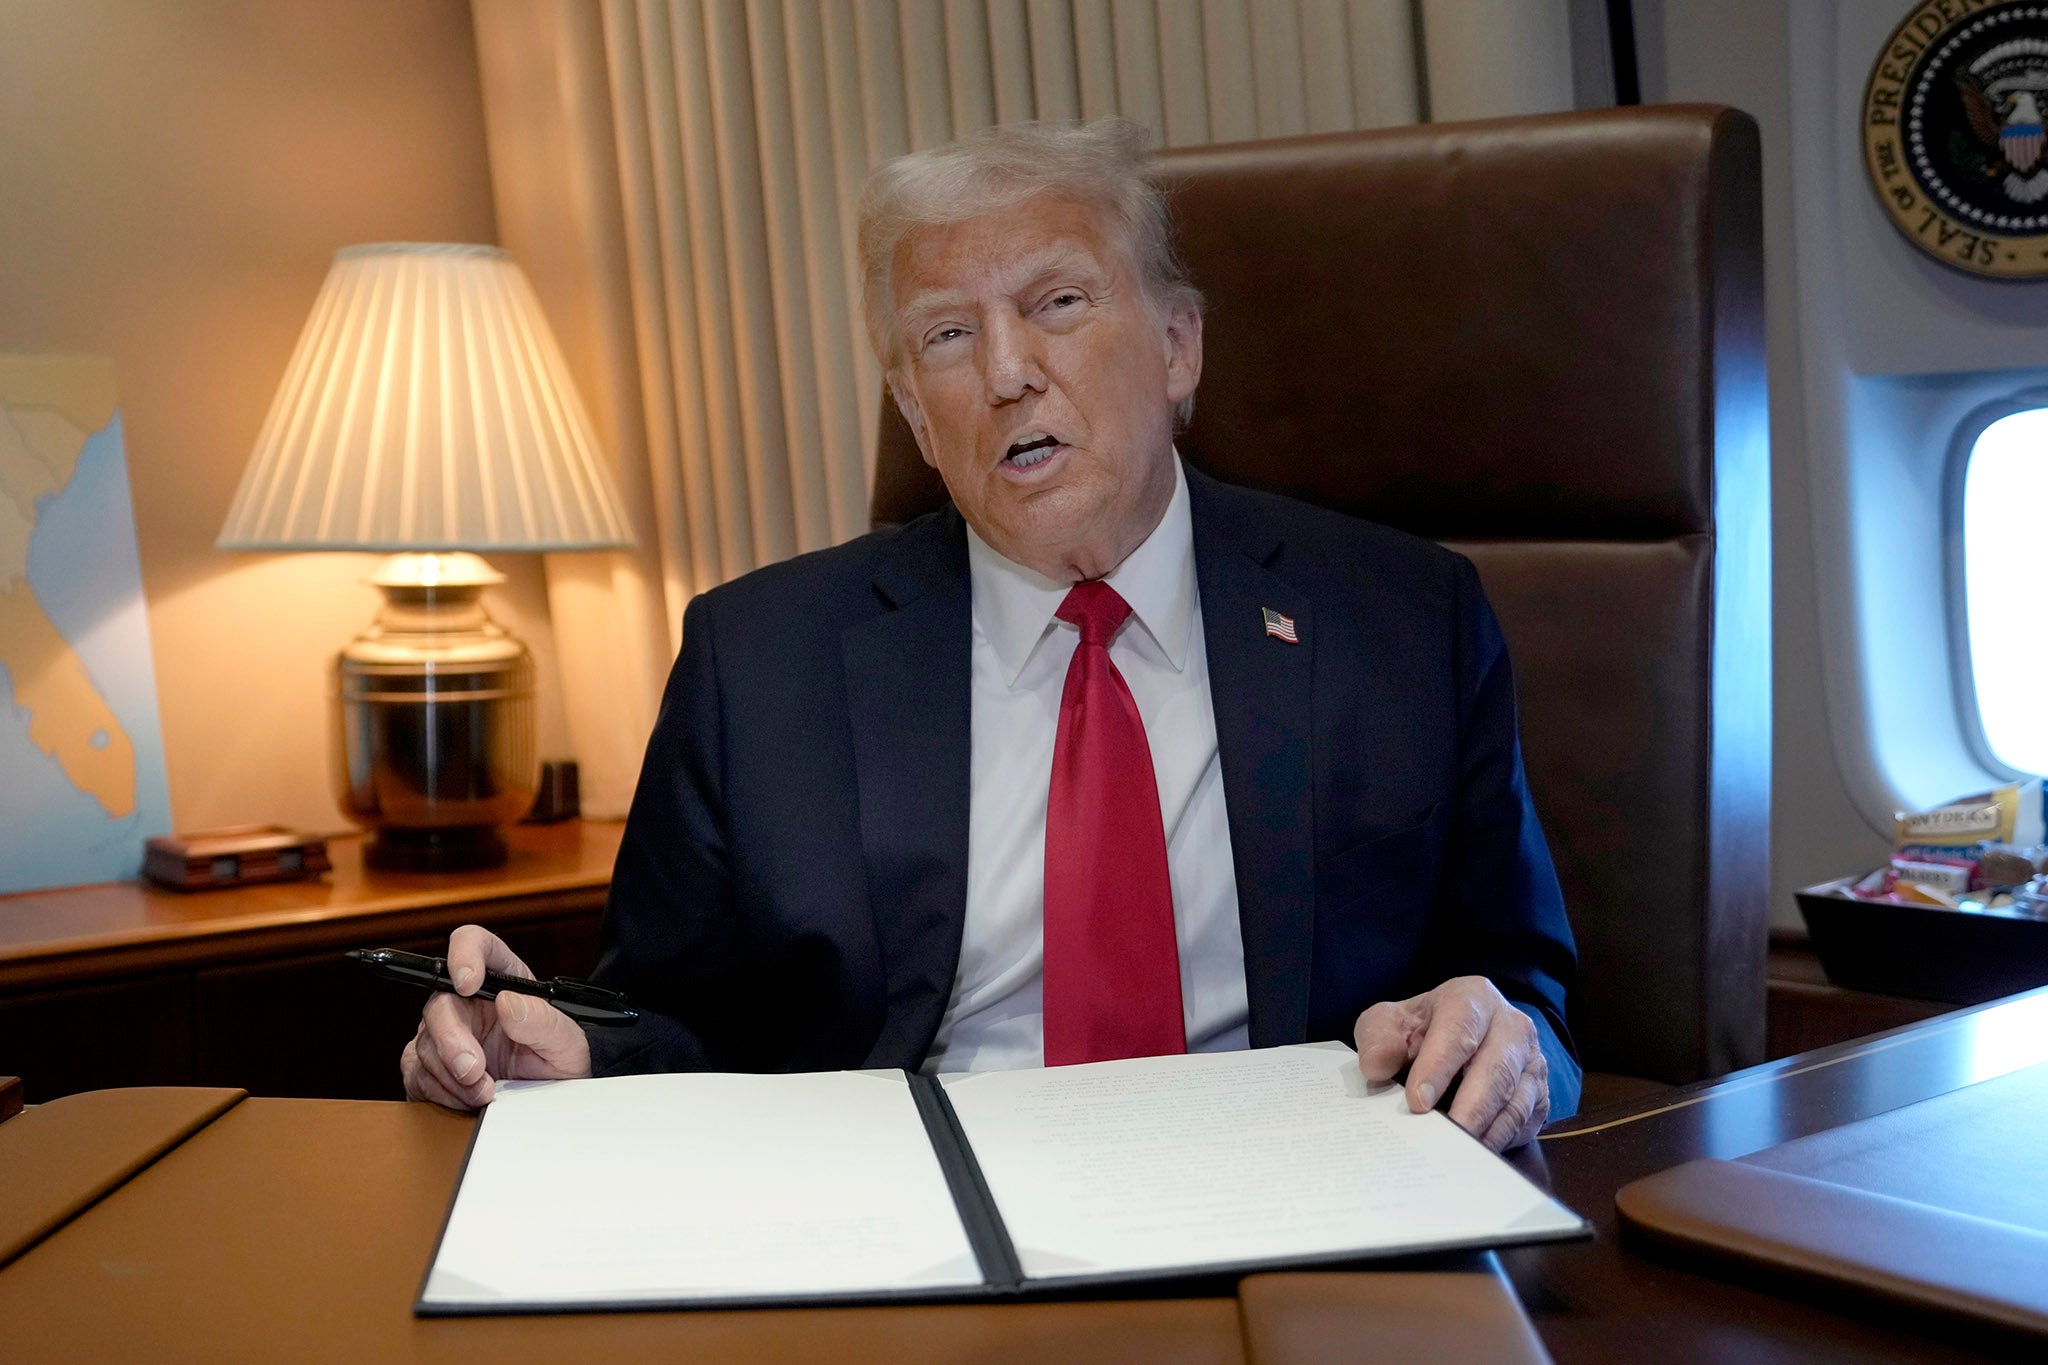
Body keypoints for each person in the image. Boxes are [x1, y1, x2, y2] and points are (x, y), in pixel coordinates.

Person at [402, 119, 1580, 1152]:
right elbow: (665, 1019)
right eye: (948, 339)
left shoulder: (1400, 619)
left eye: (1057, 303)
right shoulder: (755, 660)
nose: (1009, 372)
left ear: (1176, 348)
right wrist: (558, 1052)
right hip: (909, 1226)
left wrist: (1496, 1036)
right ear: (915, 410)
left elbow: (1526, 992)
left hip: (1295, 1194)